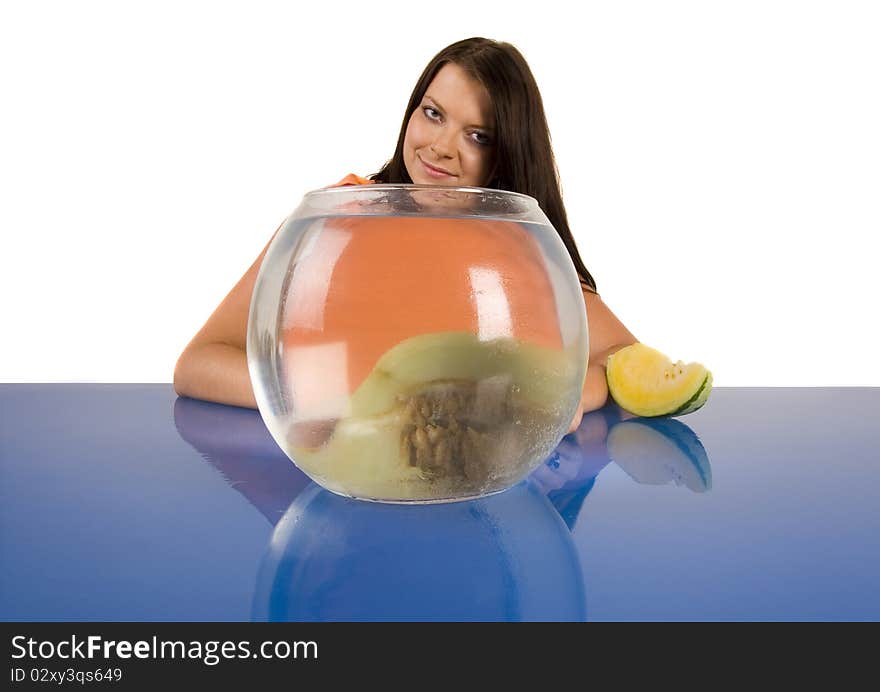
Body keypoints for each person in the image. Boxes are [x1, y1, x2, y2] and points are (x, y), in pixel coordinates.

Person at [173, 37, 638, 433]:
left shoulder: (520, 243)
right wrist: (347, 403)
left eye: (478, 136)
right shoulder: (330, 222)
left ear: (507, 155)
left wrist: (572, 395)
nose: (441, 146)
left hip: (474, 490)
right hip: (335, 481)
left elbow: (624, 356)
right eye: (433, 114)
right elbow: (199, 364)